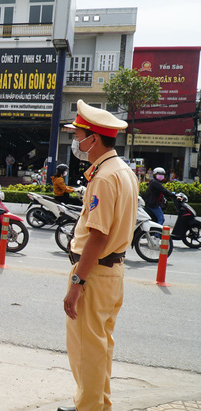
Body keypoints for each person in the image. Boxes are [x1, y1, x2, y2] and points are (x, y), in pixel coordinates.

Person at [59, 99, 138, 411]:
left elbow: (98, 235)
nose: (76, 141)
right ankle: (96, 404)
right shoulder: (123, 171)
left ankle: (89, 407)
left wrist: (77, 282)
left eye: (78, 135)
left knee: (86, 348)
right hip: (110, 272)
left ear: (93, 138)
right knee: (100, 345)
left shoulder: (105, 176)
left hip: (93, 272)